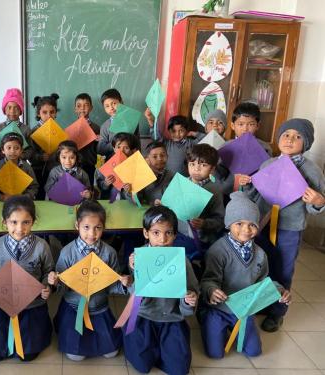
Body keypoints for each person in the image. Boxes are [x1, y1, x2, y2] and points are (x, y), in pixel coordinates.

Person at [244, 118, 325, 332]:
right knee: (261, 265)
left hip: (290, 229)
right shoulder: (268, 164)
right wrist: (248, 185)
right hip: (263, 224)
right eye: (286, 135)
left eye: (297, 136)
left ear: (306, 143)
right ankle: (263, 301)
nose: (290, 139)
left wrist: (318, 202)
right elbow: (257, 195)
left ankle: (277, 312)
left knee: (283, 269)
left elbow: (318, 201)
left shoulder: (311, 170)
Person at [200, 191, 291, 358]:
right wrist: (211, 291)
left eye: (252, 225)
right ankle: (205, 317)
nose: (246, 230)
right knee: (215, 354)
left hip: (243, 310)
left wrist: (279, 290)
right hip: (219, 309)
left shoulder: (261, 254)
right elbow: (208, 280)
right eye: (239, 223)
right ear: (229, 224)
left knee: (254, 351)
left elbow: (263, 281)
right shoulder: (218, 251)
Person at [49, 200, 131, 361]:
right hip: (74, 308)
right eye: (86, 227)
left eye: (97, 228)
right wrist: (55, 282)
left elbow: (111, 286)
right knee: (75, 356)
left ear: (104, 228)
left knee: (112, 352)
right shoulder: (67, 252)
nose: (92, 234)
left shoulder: (109, 253)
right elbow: (62, 287)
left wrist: (123, 284)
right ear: (77, 225)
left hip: (99, 308)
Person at [0, 195, 54, 361]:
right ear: (4, 222)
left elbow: (48, 271)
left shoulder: (41, 246)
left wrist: (47, 286)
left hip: (31, 304)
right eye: (14, 222)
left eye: (26, 222)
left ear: (33, 221)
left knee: (28, 355)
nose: (19, 228)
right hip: (2, 303)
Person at [124, 206, 199, 375]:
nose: (162, 239)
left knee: (179, 369)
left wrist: (190, 299)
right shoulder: (138, 257)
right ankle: (150, 347)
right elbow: (133, 296)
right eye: (156, 233)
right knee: (141, 365)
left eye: (168, 233)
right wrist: (133, 269)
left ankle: (165, 347)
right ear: (146, 233)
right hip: (143, 316)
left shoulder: (182, 260)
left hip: (172, 318)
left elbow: (193, 289)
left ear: (175, 234)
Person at [185, 144, 225, 248]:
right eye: (192, 164)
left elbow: (220, 220)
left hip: (200, 240)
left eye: (203, 165)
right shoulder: (182, 183)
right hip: (180, 234)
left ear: (212, 169)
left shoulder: (215, 190)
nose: (196, 169)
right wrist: (163, 204)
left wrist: (204, 224)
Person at [0, 133, 39, 201]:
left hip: (22, 202)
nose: (13, 151)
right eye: (9, 148)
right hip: (1, 202)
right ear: (2, 150)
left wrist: (26, 196)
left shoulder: (27, 167)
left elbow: (33, 186)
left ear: (21, 150)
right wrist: (1, 197)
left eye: (16, 148)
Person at [29, 93, 60, 198]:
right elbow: (30, 153)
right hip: (38, 170)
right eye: (44, 112)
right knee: (39, 196)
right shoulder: (34, 131)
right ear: (38, 114)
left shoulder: (59, 130)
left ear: (56, 113)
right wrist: (41, 157)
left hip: (55, 169)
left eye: (52, 112)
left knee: (55, 196)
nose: (49, 115)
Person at [0, 88, 34, 161]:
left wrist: (21, 156)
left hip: (20, 164)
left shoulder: (26, 129)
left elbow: (30, 150)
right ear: (4, 110)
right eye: (9, 108)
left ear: (21, 111)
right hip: (1, 164)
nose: (12, 111)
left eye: (16, 108)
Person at [95, 132, 139, 200]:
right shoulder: (105, 165)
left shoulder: (137, 168)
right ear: (114, 148)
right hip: (109, 202)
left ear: (132, 150)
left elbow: (140, 194)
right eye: (118, 147)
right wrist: (105, 183)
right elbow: (98, 187)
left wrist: (130, 190)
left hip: (127, 203)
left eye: (126, 148)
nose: (121, 151)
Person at [74, 93, 100, 185]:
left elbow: (99, 149)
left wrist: (99, 140)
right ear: (75, 109)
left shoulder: (96, 128)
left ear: (91, 108)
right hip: (74, 165)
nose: (82, 108)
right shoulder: (71, 128)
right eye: (79, 106)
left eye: (86, 105)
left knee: (88, 189)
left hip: (90, 164)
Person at [138, 140, 174, 206]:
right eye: (155, 156)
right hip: (147, 211)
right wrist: (152, 203)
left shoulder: (171, 175)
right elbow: (138, 200)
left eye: (163, 155)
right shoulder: (142, 176)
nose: (160, 159)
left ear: (167, 156)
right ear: (147, 159)